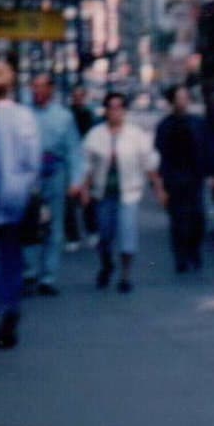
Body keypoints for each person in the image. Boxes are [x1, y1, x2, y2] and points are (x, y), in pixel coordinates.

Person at [72, 92, 163, 293]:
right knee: (104, 236)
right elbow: (86, 164)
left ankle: (125, 275)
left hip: (129, 193)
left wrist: (159, 188)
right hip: (103, 194)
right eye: (111, 108)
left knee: (127, 234)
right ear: (106, 111)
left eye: (119, 107)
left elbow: (149, 162)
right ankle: (106, 265)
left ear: (124, 110)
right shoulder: (96, 135)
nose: (115, 112)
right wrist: (84, 189)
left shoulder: (136, 135)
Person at [0, 59, 41, 348]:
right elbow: (33, 161)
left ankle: (4, 305)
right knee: (12, 256)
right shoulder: (25, 116)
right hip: (16, 195)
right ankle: (12, 304)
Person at [24, 73, 84, 295]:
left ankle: (48, 277)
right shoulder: (24, 114)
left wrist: (76, 180)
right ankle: (29, 272)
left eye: (41, 86)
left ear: (51, 90)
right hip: (30, 176)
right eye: (34, 86)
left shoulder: (63, 117)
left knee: (53, 227)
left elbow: (74, 151)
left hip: (55, 174)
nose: (37, 91)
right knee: (29, 225)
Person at [153, 84, 214, 273]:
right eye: (179, 98)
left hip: (194, 176)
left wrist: (211, 172)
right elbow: (158, 154)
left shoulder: (198, 123)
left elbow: (208, 148)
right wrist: (159, 182)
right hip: (173, 177)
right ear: (172, 101)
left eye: (185, 97)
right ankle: (180, 257)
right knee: (178, 220)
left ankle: (194, 250)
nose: (182, 101)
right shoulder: (165, 126)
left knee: (198, 218)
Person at [64, 85, 99, 252]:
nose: (77, 99)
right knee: (70, 201)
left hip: (84, 158)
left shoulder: (88, 114)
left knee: (86, 198)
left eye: (80, 96)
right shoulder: (69, 114)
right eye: (75, 95)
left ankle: (91, 230)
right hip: (71, 160)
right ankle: (73, 236)